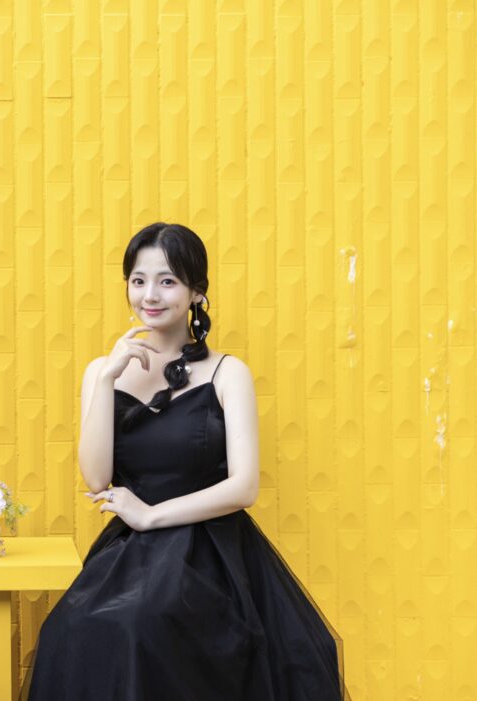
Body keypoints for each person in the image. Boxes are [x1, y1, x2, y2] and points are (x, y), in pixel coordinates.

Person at [24, 223, 344, 700]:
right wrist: (108, 379)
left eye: (167, 281)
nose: (150, 295)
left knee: (143, 626)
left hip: (210, 551)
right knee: (70, 631)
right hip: (130, 553)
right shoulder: (101, 372)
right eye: (138, 280)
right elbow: (96, 477)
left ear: (196, 292)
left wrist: (150, 515)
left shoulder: (227, 373)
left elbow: (244, 487)